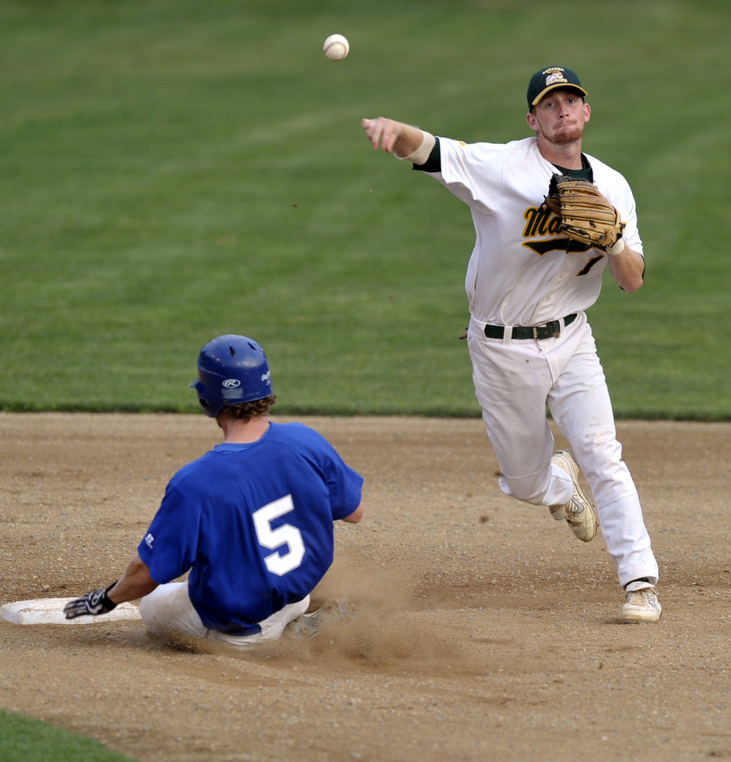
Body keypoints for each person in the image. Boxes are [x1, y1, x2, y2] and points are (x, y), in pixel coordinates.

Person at [361, 66, 661, 623]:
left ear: (586, 111)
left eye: (571, 101)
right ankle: (559, 487)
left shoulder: (613, 186)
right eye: (550, 104)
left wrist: (615, 236)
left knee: (604, 453)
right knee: (524, 480)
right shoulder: (500, 167)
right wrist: (392, 128)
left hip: (573, 340)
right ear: (533, 119)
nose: (562, 111)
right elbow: (430, 151)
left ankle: (640, 582)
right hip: (500, 350)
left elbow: (633, 279)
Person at [64, 334, 365, 646]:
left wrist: (106, 600)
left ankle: (281, 639)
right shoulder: (307, 441)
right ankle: (295, 622)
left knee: (152, 604)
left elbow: (146, 574)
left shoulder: (197, 481)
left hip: (239, 634)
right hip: (296, 596)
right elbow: (354, 513)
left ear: (208, 397)